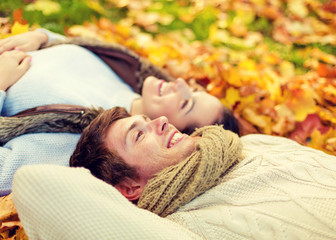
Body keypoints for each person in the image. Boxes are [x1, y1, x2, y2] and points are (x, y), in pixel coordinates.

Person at [11, 107, 336, 239]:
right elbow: (35, 183)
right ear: (128, 187)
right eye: (139, 134)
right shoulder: (181, 226)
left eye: (147, 119)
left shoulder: (249, 144)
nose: (162, 120)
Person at [0, 29, 239, 196]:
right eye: (194, 89)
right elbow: (69, 45)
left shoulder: (93, 145)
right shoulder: (128, 74)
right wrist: (41, 37)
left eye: (185, 104)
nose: (180, 84)